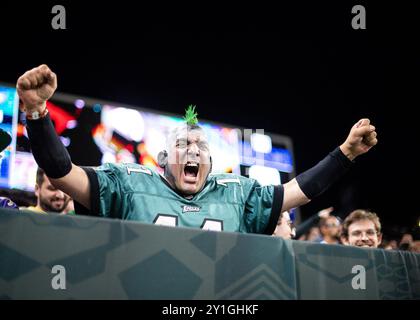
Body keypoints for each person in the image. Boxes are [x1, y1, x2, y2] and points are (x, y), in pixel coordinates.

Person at [16, 64, 378, 234]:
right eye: (183, 143)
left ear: (211, 160)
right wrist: (36, 112)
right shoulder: (128, 182)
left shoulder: (238, 193)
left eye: (200, 145)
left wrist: (345, 153)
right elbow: (61, 173)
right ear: (161, 160)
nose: (193, 149)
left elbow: (301, 190)